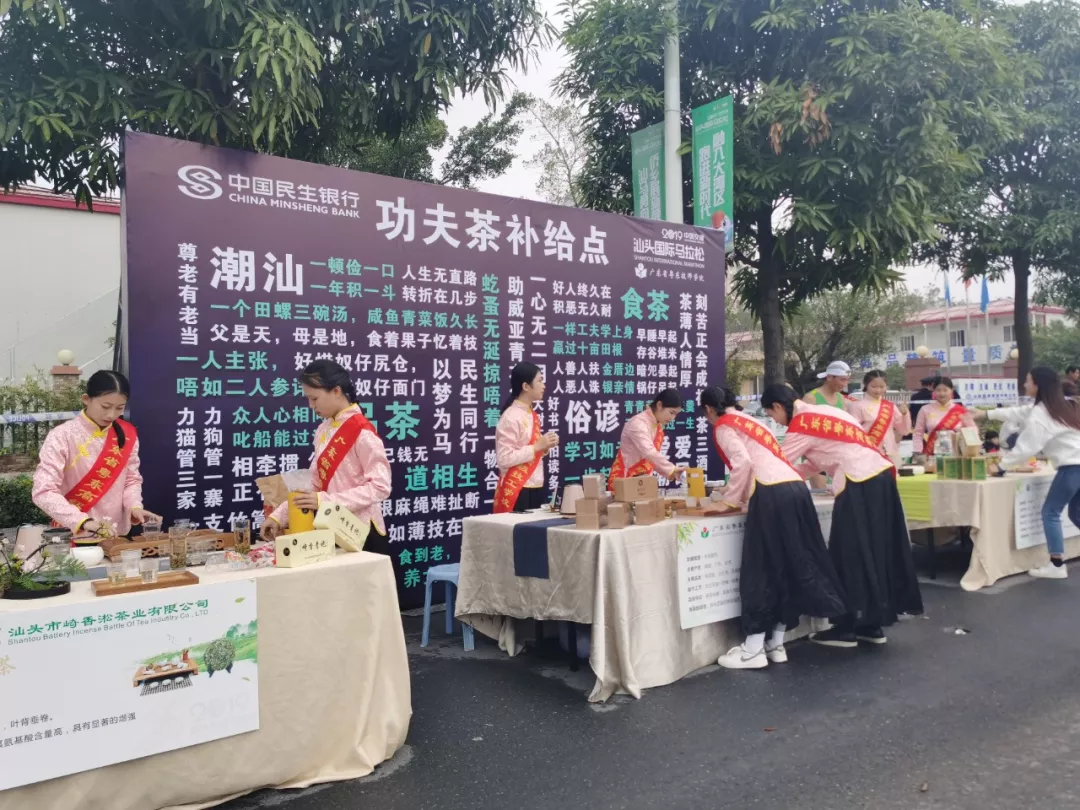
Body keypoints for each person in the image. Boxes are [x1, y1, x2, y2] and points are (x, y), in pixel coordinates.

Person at [760, 384, 923, 647]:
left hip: (858, 482)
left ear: (778, 406)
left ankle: (845, 628)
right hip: (881, 478)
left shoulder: (801, 424)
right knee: (875, 552)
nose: (775, 421)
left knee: (849, 553)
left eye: (772, 415)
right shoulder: (829, 412)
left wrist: (743, 490)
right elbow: (817, 461)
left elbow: (777, 463)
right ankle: (871, 624)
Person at [701, 387, 848, 670]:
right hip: (796, 489)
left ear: (708, 409)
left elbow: (744, 463)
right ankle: (776, 643)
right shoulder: (752, 421)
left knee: (762, 567)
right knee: (789, 565)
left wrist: (728, 502)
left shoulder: (724, 426)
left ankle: (752, 649)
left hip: (771, 493)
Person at [261, 360, 391, 540]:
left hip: (362, 531)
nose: (311, 405)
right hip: (329, 528)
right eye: (308, 399)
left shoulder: (362, 431)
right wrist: (279, 516)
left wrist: (324, 501)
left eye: (314, 398)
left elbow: (380, 487)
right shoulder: (323, 430)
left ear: (336, 391)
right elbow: (314, 483)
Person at [32, 370, 160, 541]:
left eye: (119, 408)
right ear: (86, 399)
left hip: (116, 536)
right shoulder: (62, 436)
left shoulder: (127, 434)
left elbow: (131, 480)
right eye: (105, 407)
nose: (111, 415)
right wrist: (83, 521)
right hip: (74, 535)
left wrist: (134, 506)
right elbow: (43, 490)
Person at [999, 367, 1080, 579]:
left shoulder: (1042, 413)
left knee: (1050, 512)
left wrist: (1001, 466)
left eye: (1028, 381)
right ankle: (1056, 563)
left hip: (1072, 467)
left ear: (1038, 384)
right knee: (1076, 513)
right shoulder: (1061, 405)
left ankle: (1056, 565)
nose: (1025, 385)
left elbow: (1027, 448)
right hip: (1076, 464)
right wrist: (985, 414)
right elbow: (1019, 412)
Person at [493, 362, 558, 513]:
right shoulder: (511, 416)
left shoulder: (530, 414)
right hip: (517, 490)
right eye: (540, 381)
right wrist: (536, 447)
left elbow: (531, 450)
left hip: (535, 485)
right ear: (526, 386)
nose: (544, 386)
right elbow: (504, 458)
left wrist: (545, 446)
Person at [608, 388, 688, 490]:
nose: (673, 418)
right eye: (671, 412)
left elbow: (652, 459)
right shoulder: (638, 424)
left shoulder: (656, 425)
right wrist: (672, 469)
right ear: (659, 405)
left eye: (676, 414)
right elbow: (649, 452)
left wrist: (672, 472)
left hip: (642, 481)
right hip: (625, 479)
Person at [847, 370, 912, 466]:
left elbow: (904, 431)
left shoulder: (890, 406)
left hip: (890, 453)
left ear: (886, 386)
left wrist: (905, 414)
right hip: (867, 454)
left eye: (882, 387)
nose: (878, 390)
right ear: (866, 385)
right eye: (874, 386)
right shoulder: (857, 406)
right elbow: (853, 432)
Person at [912, 376, 975, 456]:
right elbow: (918, 434)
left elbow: (972, 432)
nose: (942, 393)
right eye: (938, 390)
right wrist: (918, 452)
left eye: (945, 390)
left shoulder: (961, 411)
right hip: (932, 455)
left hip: (956, 456)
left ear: (952, 390)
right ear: (933, 391)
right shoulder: (925, 409)